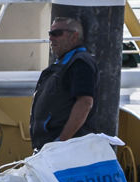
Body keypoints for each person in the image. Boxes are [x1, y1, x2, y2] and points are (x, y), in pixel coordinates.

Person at [31, 15, 96, 150]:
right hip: (51, 147)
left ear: (74, 36)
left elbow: (85, 102)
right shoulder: (62, 65)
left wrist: (61, 141)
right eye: (50, 33)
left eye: (57, 33)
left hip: (66, 149)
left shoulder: (80, 63)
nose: (51, 38)